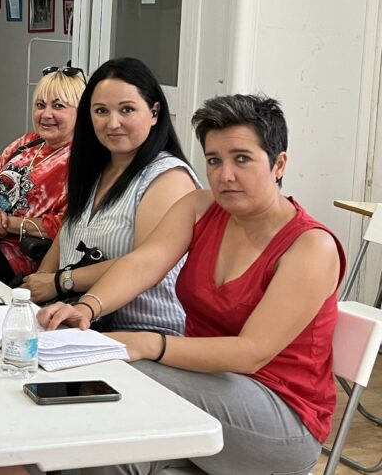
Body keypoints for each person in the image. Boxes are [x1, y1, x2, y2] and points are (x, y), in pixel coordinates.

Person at [35, 94, 344, 475]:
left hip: (281, 422)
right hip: (203, 391)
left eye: (242, 159)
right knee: (101, 455)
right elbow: (144, 263)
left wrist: (148, 343)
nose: (225, 175)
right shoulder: (200, 207)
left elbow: (251, 353)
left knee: (124, 374)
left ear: (278, 164)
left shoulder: (311, 246)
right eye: (214, 160)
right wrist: (86, 308)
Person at [20, 57, 199, 336]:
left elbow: (145, 264)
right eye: (101, 111)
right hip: (76, 318)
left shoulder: (168, 178)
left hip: (143, 331)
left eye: (127, 109)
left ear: (154, 113)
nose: (113, 123)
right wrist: (38, 285)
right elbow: (68, 232)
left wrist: (60, 281)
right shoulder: (95, 168)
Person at [0, 66, 85, 283]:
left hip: (18, 254)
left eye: (58, 106)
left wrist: (3, 222)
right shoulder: (27, 143)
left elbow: (64, 226)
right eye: (40, 105)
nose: (46, 114)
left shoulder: (82, 161)